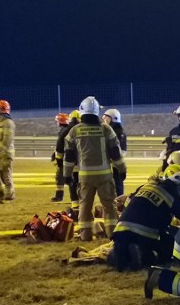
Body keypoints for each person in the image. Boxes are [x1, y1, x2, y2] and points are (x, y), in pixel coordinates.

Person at [63, 96, 126, 241]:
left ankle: (85, 235)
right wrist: (122, 169)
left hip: (85, 176)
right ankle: (112, 234)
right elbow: (116, 153)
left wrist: (67, 175)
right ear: (97, 111)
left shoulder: (74, 131)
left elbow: (69, 156)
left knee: (85, 206)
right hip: (105, 176)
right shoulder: (106, 129)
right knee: (109, 206)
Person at [112, 169, 180, 272]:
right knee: (170, 245)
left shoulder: (145, 187)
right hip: (144, 234)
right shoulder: (173, 196)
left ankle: (120, 255)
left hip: (120, 231)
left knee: (121, 257)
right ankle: (142, 255)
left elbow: (127, 203)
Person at [55, 110, 81, 214]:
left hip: (70, 162)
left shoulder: (66, 130)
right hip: (84, 163)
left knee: (72, 183)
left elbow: (59, 147)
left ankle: (75, 204)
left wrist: (60, 163)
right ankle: (85, 203)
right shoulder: (83, 128)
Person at [103, 108, 128, 196]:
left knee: (117, 183)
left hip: (116, 162)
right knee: (115, 183)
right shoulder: (116, 130)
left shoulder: (115, 131)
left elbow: (118, 150)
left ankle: (119, 202)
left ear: (113, 118)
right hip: (116, 161)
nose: (104, 119)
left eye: (106, 117)